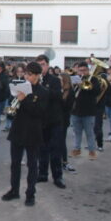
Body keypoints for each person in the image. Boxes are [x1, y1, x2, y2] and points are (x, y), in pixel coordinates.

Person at [1, 62, 49, 207]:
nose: (26, 77)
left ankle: (30, 193)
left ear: (37, 75)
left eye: (29, 75)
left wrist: (24, 99)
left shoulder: (43, 92)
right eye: (26, 74)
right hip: (18, 129)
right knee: (15, 163)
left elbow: (39, 112)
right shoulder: (21, 88)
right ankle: (14, 190)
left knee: (32, 164)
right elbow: (12, 106)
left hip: (33, 131)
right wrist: (14, 98)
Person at [36, 55, 66, 189]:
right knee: (42, 149)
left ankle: (57, 176)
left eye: (43, 64)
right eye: (39, 64)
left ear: (47, 65)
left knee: (55, 150)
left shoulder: (54, 80)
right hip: (40, 120)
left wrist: (42, 89)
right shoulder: (34, 81)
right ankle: (42, 174)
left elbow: (58, 96)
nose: (41, 67)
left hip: (54, 120)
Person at [70, 61, 100, 160]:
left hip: (88, 111)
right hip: (76, 110)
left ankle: (92, 151)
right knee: (77, 132)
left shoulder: (94, 79)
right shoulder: (76, 79)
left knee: (89, 132)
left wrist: (82, 84)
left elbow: (96, 91)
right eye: (80, 70)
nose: (82, 72)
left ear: (88, 70)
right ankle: (76, 149)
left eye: (84, 70)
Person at [59, 73, 76, 172]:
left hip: (63, 120)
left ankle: (65, 161)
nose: (59, 81)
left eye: (60, 80)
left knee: (61, 141)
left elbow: (67, 107)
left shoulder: (70, 92)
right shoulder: (60, 90)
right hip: (57, 119)